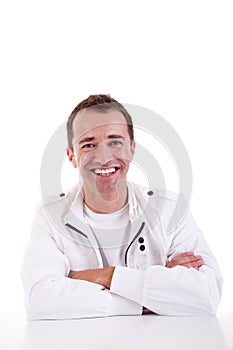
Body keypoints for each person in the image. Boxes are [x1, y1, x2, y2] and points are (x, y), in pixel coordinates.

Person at [21, 94, 223, 320]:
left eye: (115, 141)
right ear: (72, 156)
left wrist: (107, 276)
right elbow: (39, 300)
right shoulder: (50, 216)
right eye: (89, 144)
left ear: (132, 149)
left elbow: (206, 296)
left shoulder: (169, 209)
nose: (104, 157)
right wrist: (156, 294)